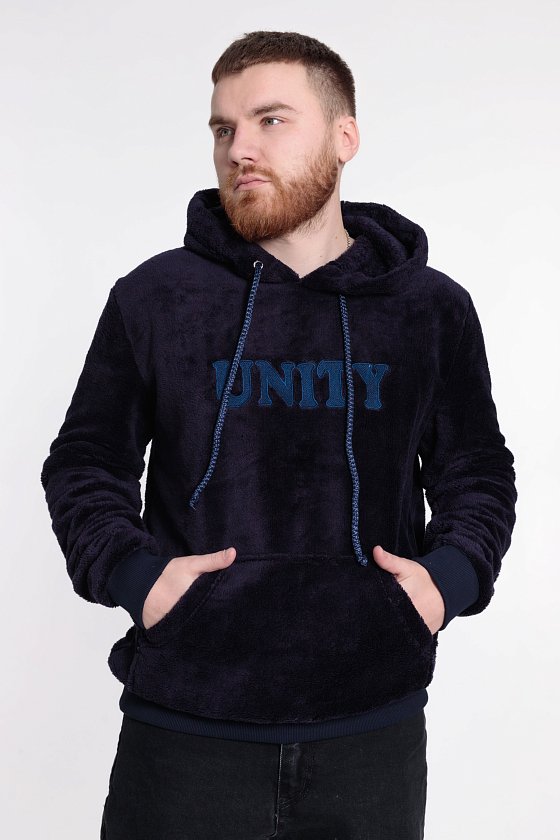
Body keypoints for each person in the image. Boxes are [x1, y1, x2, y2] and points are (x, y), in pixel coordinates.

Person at [40, 30, 517, 840]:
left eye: (270, 121)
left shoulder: (430, 309)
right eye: (223, 128)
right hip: (184, 724)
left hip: (372, 727)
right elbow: (86, 464)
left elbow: (477, 471)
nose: (239, 150)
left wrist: (446, 582)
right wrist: (137, 577)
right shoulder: (155, 298)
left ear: (344, 135)